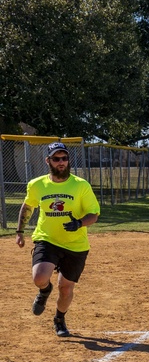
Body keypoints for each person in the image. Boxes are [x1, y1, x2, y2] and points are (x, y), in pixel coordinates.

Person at [14, 142, 100, 337]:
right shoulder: (37, 184)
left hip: (75, 244)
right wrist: (20, 231)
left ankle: (59, 319)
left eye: (64, 158)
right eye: (56, 158)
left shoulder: (80, 185)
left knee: (65, 288)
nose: (61, 162)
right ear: (48, 161)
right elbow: (28, 207)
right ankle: (44, 291)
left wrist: (79, 223)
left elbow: (93, 214)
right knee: (39, 277)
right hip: (47, 239)